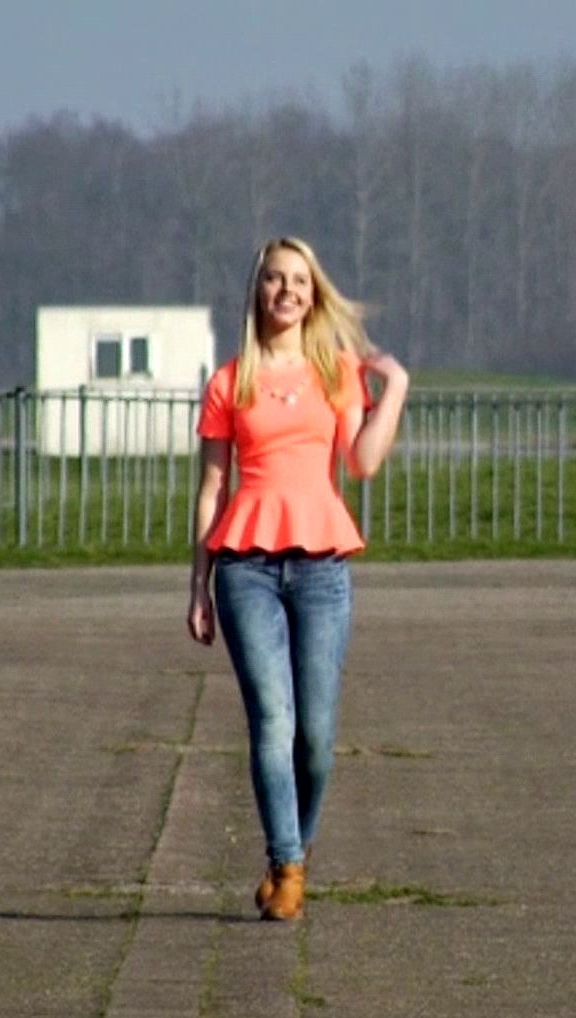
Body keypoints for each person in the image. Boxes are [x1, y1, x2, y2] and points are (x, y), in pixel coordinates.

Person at [187, 236, 409, 921]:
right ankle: (285, 863)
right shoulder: (230, 382)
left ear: (314, 296)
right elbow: (212, 489)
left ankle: (296, 853)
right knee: (272, 720)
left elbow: (362, 461)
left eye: (300, 282)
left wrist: (395, 389)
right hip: (245, 569)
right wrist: (198, 586)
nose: (287, 291)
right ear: (257, 290)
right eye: (275, 279)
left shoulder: (336, 371)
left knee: (315, 735)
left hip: (321, 568)